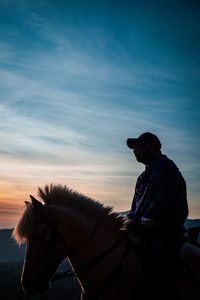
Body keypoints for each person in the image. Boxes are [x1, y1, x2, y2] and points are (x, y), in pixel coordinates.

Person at [126, 132, 188, 299]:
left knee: (157, 268)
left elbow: (165, 198)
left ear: (151, 147)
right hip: (141, 229)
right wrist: (129, 220)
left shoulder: (167, 168)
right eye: (134, 148)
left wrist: (148, 219)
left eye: (138, 146)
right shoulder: (143, 177)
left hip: (164, 231)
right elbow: (135, 207)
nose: (135, 151)